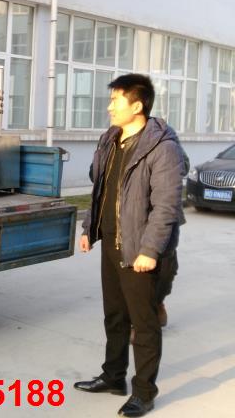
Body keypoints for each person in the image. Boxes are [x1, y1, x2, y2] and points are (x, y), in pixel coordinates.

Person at [74, 74, 185, 417]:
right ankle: (113, 377)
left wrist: (150, 251)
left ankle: (144, 393)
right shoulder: (110, 138)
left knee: (144, 323)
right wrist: (89, 228)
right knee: (115, 315)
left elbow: (166, 206)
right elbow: (100, 188)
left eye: (116, 100)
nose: (109, 107)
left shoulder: (162, 148)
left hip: (140, 247)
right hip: (112, 240)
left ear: (137, 106)